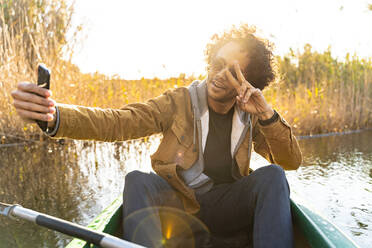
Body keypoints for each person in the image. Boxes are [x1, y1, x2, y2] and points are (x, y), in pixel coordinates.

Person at [11, 24, 302, 248]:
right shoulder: (178, 102)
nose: (218, 74)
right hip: (180, 209)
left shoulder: (251, 114)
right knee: (137, 180)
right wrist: (54, 116)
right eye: (217, 62)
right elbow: (119, 122)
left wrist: (266, 114)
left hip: (228, 208)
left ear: (248, 80)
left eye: (232, 70)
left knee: (274, 176)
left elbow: (290, 161)